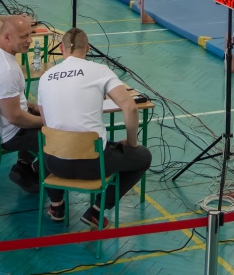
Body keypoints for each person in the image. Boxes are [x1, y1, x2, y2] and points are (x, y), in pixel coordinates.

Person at [36, 27, 151, 229]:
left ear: (61, 48)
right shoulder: (99, 70)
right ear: (88, 48)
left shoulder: (45, 77)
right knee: (143, 157)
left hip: (55, 164)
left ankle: (57, 205)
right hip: (93, 165)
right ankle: (97, 210)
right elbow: (131, 108)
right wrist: (131, 142)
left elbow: (46, 123)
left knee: (47, 144)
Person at [0, 15, 46, 195]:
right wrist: (46, 120)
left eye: (30, 34)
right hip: (7, 134)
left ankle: (23, 165)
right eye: (23, 37)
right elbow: (15, 118)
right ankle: (34, 174)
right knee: (61, 137)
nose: (30, 41)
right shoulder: (7, 70)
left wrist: (31, 105)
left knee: (36, 113)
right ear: (7, 37)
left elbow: (3, 98)